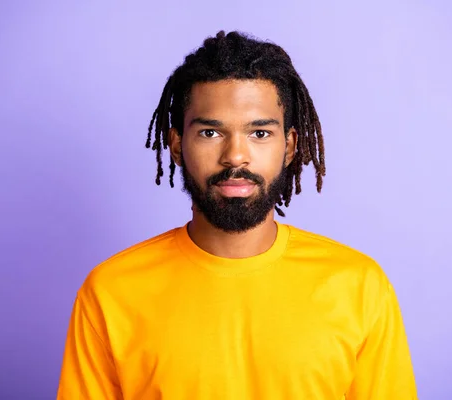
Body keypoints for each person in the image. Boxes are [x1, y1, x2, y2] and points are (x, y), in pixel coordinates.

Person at [57, 30, 417, 399]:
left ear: (289, 146)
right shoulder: (111, 291)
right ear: (177, 144)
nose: (235, 156)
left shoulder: (358, 286)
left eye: (259, 133)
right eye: (211, 132)